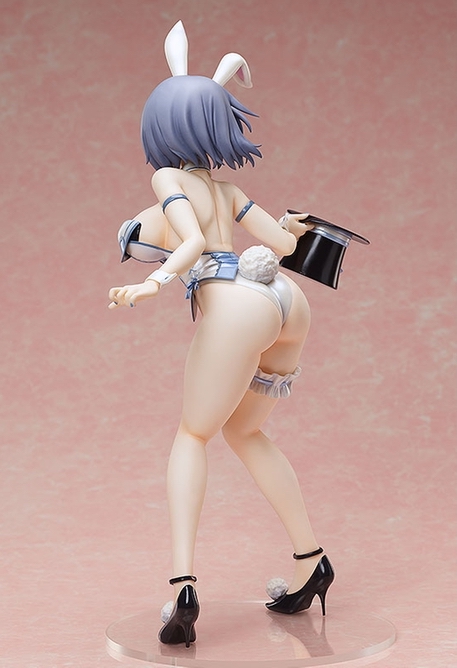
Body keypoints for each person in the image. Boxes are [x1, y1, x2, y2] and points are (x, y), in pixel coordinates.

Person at [108, 21, 334, 649]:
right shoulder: (227, 188)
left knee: (193, 435)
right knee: (246, 431)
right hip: (286, 300)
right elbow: (283, 244)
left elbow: (188, 243)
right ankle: (311, 561)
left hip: (236, 305)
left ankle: (183, 586)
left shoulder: (167, 181)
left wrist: (151, 284)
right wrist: (290, 224)